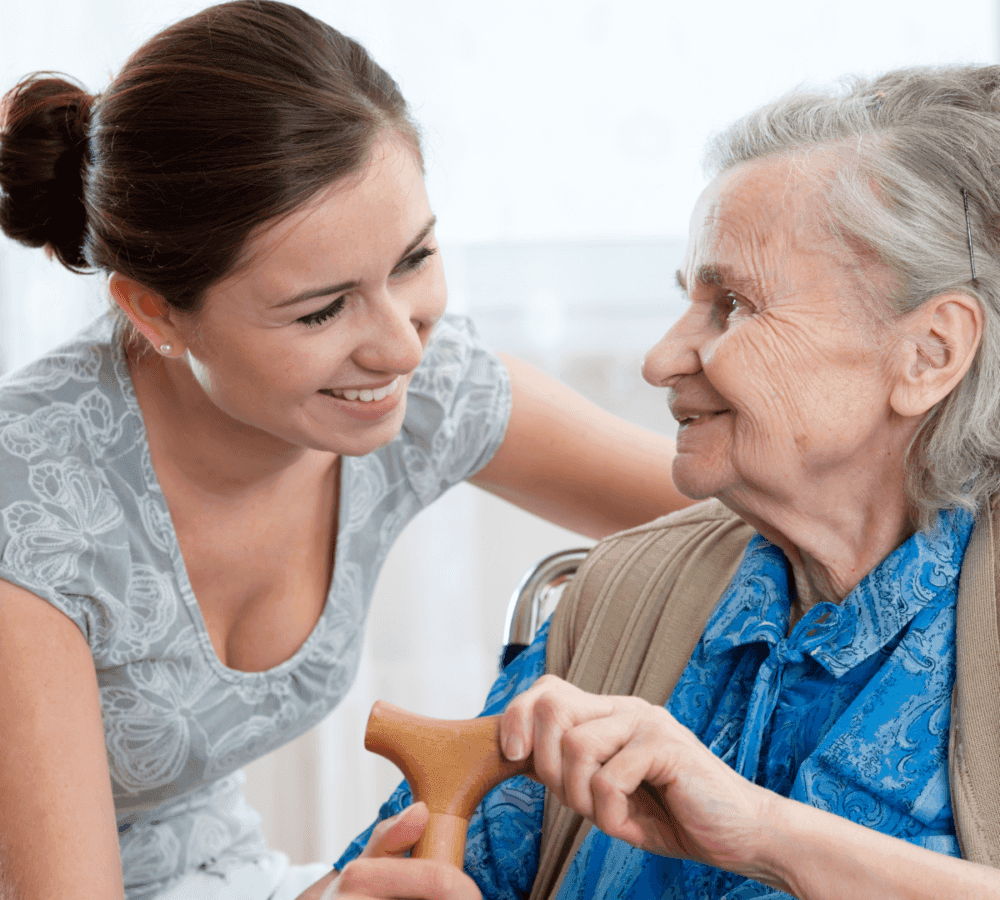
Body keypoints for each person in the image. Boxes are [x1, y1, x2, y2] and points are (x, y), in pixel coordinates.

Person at [0, 3, 693, 899]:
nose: (401, 347)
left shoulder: (418, 389)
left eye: (414, 258)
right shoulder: (31, 511)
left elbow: (742, 509)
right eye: (322, 310)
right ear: (154, 312)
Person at [324, 65, 1000, 900]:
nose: (659, 360)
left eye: (735, 306)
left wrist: (769, 835)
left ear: (930, 353)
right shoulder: (625, 591)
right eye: (688, 300)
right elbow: (394, 873)